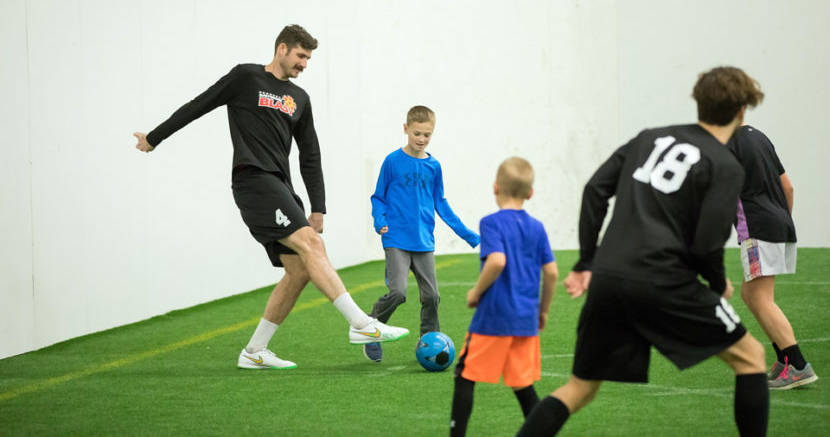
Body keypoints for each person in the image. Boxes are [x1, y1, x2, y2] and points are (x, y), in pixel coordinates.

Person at [133, 24, 409, 370]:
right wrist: (155, 137)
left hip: (281, 187)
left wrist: (318, 207)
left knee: (298, 270)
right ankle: (361, 325)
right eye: (300, 56)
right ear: (282, 49)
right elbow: (199, 104)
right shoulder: (246, 77)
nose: (304, 64)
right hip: (253, 180)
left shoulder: (300, 99)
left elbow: (310, 155)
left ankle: (254, 351)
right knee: (314, 248)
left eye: (308, 58)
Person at [516, 66, 770, 437]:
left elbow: (594, 190)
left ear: (697, 101)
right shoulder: (726, 165)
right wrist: (718, 284)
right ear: (742, 110)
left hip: (608, 277)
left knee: (579, 388)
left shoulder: (649, 138)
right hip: (663, 280)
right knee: (752, 357)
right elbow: (707, 244)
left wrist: (587, 261)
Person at [449, 157, 558, 436]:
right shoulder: (537, 227)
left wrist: (476, 291)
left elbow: (497, 261)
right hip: (525, 320)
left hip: (493, 318)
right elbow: (553, 273)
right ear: (530, 193)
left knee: (464, 376)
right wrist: (543, 311)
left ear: (495, 187)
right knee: (522, 385)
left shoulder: (491, 223)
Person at [364, 105, 480, 362]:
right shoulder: (392, 161)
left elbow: (441, 203)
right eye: (417, 133)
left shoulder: (434, 166)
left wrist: (469, 235)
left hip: (424, 241)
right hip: (396, 238)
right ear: (406, 129)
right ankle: (372, 328)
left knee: (432, 296)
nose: (421, 139)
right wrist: (379, 220)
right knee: (398, 293)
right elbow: (378, 197)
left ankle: (431, 341)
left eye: (427, 134)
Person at [728, 125, 818, 389]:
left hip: (757, 228)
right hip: (780, 223)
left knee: (758, 297)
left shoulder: (725, 144)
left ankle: (798, 365)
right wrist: (780, 222)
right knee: (752, 294)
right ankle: (785, 359)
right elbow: (788, 187)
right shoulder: (758, 136)